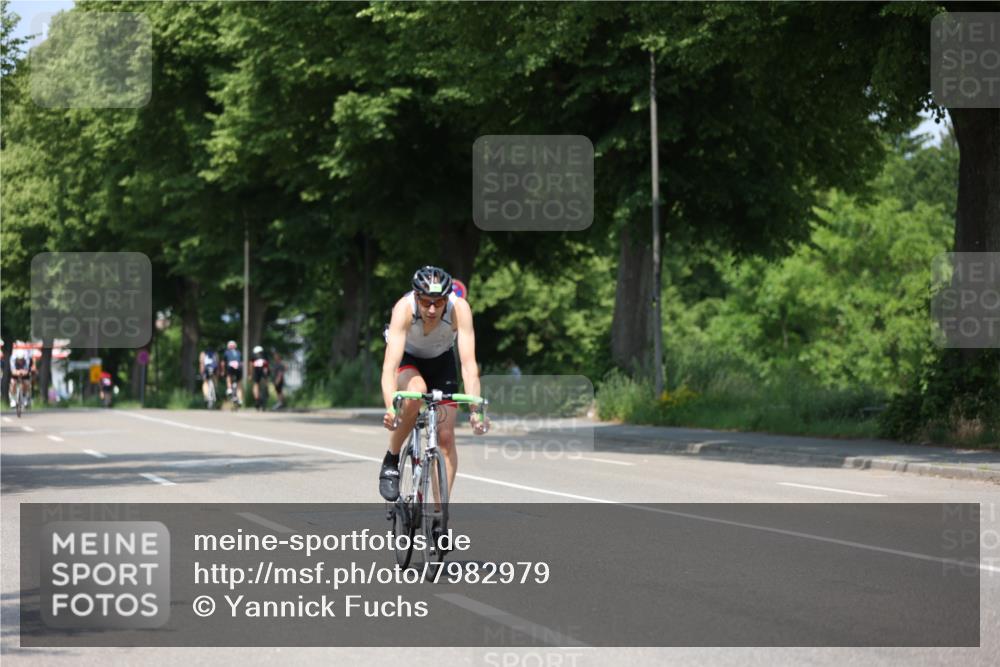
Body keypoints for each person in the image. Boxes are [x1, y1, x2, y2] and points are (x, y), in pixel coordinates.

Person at [378, 266, 489, 502]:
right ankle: (392, 458)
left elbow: (469, 366)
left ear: (447, 298)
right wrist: (391, 408)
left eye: (438, 303)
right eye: (426, 302)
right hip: (408, 360)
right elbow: (389, 368)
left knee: (446, 437)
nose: (431, 309)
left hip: (441, 362)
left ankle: (439, 515)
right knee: (416, 391)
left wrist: (476, 412)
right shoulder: (403, 309)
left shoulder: (459, 309)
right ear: (416, 297)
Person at [8, 343, 33, 409]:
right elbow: (12, 370)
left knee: (26, 383)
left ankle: (24, 397)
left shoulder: (27, 358)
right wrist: (17, 372)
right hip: (15, 371)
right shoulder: (12, 358)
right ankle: (13, 399)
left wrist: (24, 372)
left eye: (21, 360)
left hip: (24, 371)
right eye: (19, 360)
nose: (20, 361)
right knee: (13, 383)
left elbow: (27, 370)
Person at [223, 340, 243, 406]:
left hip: (230, 367)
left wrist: (223, 371)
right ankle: (240, 399)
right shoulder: (239, 352)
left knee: (228, 376)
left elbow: (223, 363)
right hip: (238, 368)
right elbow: (241, 362)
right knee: (239, 384)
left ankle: (229, 389)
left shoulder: (227, 352)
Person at [251, 345, 269, 410]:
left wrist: (250, 374)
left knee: (255, 384)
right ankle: (266, 389)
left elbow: (251, 365)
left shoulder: (254, 356)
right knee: (265, 382)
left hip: (257, 371)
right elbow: (267, 366)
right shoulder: (265, 355)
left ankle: (257, 399)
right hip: (264, 371)